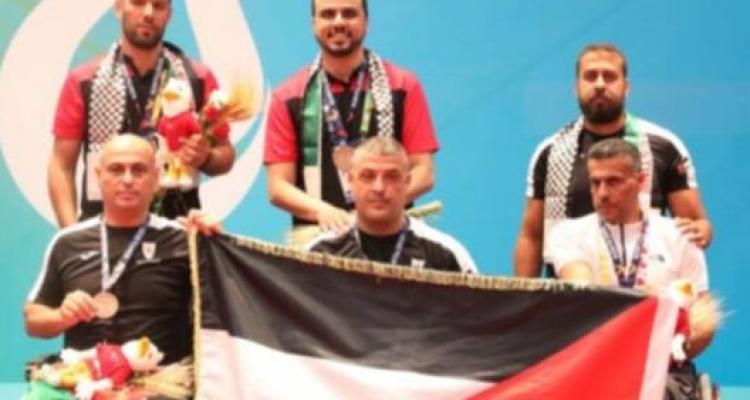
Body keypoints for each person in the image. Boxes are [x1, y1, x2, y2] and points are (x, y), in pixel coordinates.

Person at [514, 42, 712, 278]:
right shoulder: (549, 152)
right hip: (567, 291)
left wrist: (701, 232)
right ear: (576, 87)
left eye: (609, 76)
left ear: (626, 87)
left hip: (643, 288)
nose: (599, 84)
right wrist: (522, 297)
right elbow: (532, 237)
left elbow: (695, 227)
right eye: (590, 76)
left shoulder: (665, 146)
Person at [26, 134, 221, 364]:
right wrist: (61, 316)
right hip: (87, 379)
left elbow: (226, 311)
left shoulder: (183, 240)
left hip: (165, 380)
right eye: (116, 169)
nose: (127, 179)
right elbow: (33, 320)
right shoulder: (67, 242)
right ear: (98, 176)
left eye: (138, 170)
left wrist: (216, 242)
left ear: (157, 176)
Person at [548, 138, 715, 399]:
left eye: (613, 181)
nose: (602, 193)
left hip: (664, 372)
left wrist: (661, 355)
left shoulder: (680, 236)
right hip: (593, 368)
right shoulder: (568, 234)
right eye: (595, 183)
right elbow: (579, 281)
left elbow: (703, 318)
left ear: (640, 180)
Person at [48, 0, 235, 227]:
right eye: (138, 2)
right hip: (102, 232)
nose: (148, 13)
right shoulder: (84, 80)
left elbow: (225, 154)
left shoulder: (198, 77)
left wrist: (206, 157)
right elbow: (61, 166)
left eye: (158, 5)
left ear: (169, 15)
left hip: (177, 230)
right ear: (119, 7)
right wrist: (73, 237)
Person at [264, 0, 438, 231]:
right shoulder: (288, 96)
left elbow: (424, 172)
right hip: (320, 239)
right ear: (313, 24)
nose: (338, 22)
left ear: (366, 21)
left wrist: (375, 209)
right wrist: (325, 212)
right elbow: (278, 187)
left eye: (348, 13)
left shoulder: (403, 86)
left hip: (391, 235)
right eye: (328, 14)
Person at [307, 136, 477, 273]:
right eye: (368, 176)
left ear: (407, 182)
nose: (379, 188)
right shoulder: (319, 254)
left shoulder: (446, 256)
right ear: (350, 181)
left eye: (391, 177)